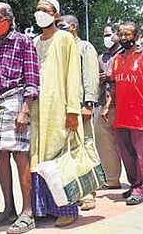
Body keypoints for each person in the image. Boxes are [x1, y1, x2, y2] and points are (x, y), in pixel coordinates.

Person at [0, 2, 39, 233]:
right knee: (0, 157)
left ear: (10, 18)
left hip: (17, 102)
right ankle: (8, 209)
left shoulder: (24, 41)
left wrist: (24, 111)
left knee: (20, 157)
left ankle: (28, 212)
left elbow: (33, 80)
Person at [30, 0, 82, 227]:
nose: (41, 13)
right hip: (36, 110)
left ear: (56, 15)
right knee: (38, 158)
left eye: (46, 10)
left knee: (58, 158)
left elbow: (73, 75)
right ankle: (44, 209)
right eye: (38, 10)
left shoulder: (65, 39)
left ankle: (67, 209)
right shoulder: (33, 42)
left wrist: (72, 109)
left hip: (59, 108)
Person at [102, 21, 143, 205]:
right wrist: (107, 105)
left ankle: (141, 189)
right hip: (121, 115)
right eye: (120, 34)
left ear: (136, 37)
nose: (123, 37)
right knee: (126, 153)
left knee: (142, 154)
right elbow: (114, 87)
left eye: (127, 34)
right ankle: (134, 184)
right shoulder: (117, 59)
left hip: (141, 115)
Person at [56, 14, 99, 211]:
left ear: (73, 27)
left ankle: (90, 193)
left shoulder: (84, 47)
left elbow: (90, 75)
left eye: (62, 25)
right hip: (62, 108)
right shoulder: (60, 47)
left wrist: (89, 104)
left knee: (85, 147)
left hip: (81, 105)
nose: (58, 27)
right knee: (69, 152)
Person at [94, 26, 123, 189]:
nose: (107, 38)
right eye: (104, 35)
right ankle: (112, 178)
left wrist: (112, 76)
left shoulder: (126, 55)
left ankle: (137, 181)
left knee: (126, 143)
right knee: (104, 143)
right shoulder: (101, 58)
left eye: (109, 34)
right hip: (103, 104)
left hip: (122, 104)